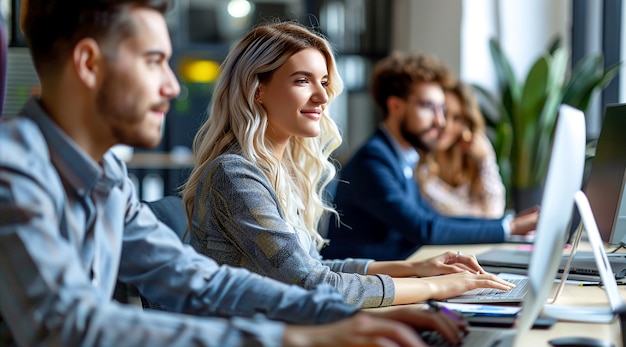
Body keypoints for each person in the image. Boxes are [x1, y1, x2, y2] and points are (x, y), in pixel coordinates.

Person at [0, 2, 468, 346]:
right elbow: (67, 325)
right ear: (88, 64)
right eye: (154, 61)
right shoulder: (12, 174)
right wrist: (300, 337)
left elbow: (202, 282)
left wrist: (340, 315)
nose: (173, 86)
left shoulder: (108, 178)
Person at [182, 21, 515, 311]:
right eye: (302, 80)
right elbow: (311, 284)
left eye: (324, 82)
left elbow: (314, 267)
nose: (322, 97)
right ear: (257, 90)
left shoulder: (282, 170)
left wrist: (416, 269)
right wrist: (437, 288)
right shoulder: (235, 174)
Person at [322, 52, 538, 261]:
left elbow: (435, 219)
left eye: (441, 109)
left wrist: (507, 223)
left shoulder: (402, 156)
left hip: (393, 272)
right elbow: (423, 228)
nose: (441, 121)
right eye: (428, 107)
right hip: (361, 285)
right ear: (395, 106)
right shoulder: (374, 160)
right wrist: (509, 228)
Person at [415, 81, 506, 218]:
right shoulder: (418, 163)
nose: (446, 125)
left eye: (456, 118)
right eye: (443, 112)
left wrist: (485, 160)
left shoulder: (475, 156)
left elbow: (495, 212)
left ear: (466, 123)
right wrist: (480, 214)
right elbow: (445, 216)